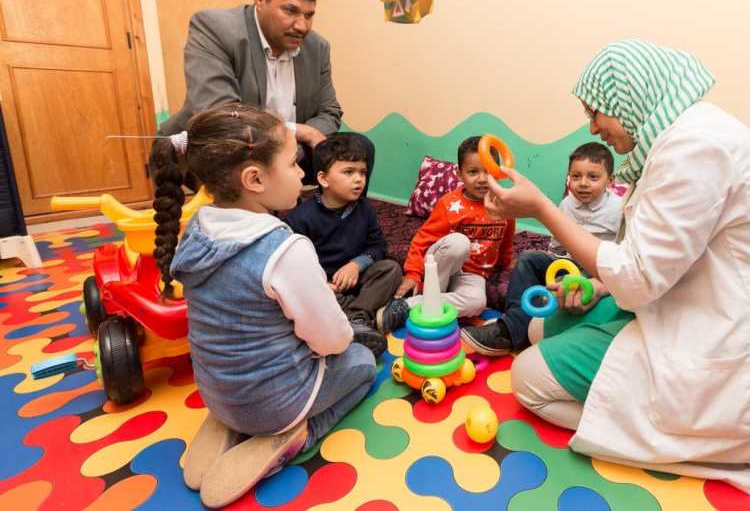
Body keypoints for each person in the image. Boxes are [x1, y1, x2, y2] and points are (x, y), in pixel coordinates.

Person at [482, 40, 750, 497]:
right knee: (541, 328)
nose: (593, 127)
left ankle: (673, 442)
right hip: (689, 304)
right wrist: (601, 285)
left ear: (628, 99)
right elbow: (659, 256)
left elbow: (640, 277)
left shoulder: (693, 147)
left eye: (595, 112)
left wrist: (542, 209)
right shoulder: (683, 137)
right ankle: (627, 405)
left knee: (527, 381)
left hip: (735, 337)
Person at [151, 104, 376, 508]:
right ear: (254, 178)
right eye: (294, 164)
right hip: (274, 406)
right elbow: (333, 340)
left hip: (213, 389)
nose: (303, 174)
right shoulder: (283, 248)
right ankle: (296, 435)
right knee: (361, 360)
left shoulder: (197, 227)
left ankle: (230, 419)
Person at [157, 0, 376, 192]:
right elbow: (221, 116)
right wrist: (298, 131)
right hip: (233, 149)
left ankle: (344, 226)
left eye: (309, 15)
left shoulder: (317, 47)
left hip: (295, 150)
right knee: (248, 163)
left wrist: (291, 149)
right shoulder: (215, 29)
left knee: (361, 147)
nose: (302, 25)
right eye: (291, 10)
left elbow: (329, 111)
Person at [461, 142, 621, 356]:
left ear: (610, 180)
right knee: (528, 258)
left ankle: (515, 330)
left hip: (596, 269)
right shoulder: (567, 203)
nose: (583, 184)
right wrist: (549, 265)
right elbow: (558, 241)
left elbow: (624, 252)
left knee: (573, 281)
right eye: (576, 177)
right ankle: (513, 324)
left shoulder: (618, 209)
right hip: (567, 262)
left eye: (593, 177)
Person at [375, 135, 516, 333]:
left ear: (498, 173)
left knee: (476, 303)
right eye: (473, 172)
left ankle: (410, 306)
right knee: (459, 242)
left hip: (472, 274)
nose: (482, 179)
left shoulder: (504, 205)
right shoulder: (449, 204)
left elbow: (506, 239)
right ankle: (433, 295)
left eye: (488, 172)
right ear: (460, 175)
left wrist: (505, 262)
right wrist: (413, 275)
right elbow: (422, 239)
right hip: (443, 265)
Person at [284, 134, 402, 359]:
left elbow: (378, 246)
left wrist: (356, 265)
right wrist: (323, 284)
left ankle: (357, 318)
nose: (358, 179)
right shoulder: (300, 219)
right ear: (324, 179)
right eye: (349, 172)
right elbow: (294, 268)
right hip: (326, 289)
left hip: (358, 281)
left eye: (362, 172)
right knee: (308, 301)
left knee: (391, 269)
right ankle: (368, 316)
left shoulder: (365, 209)